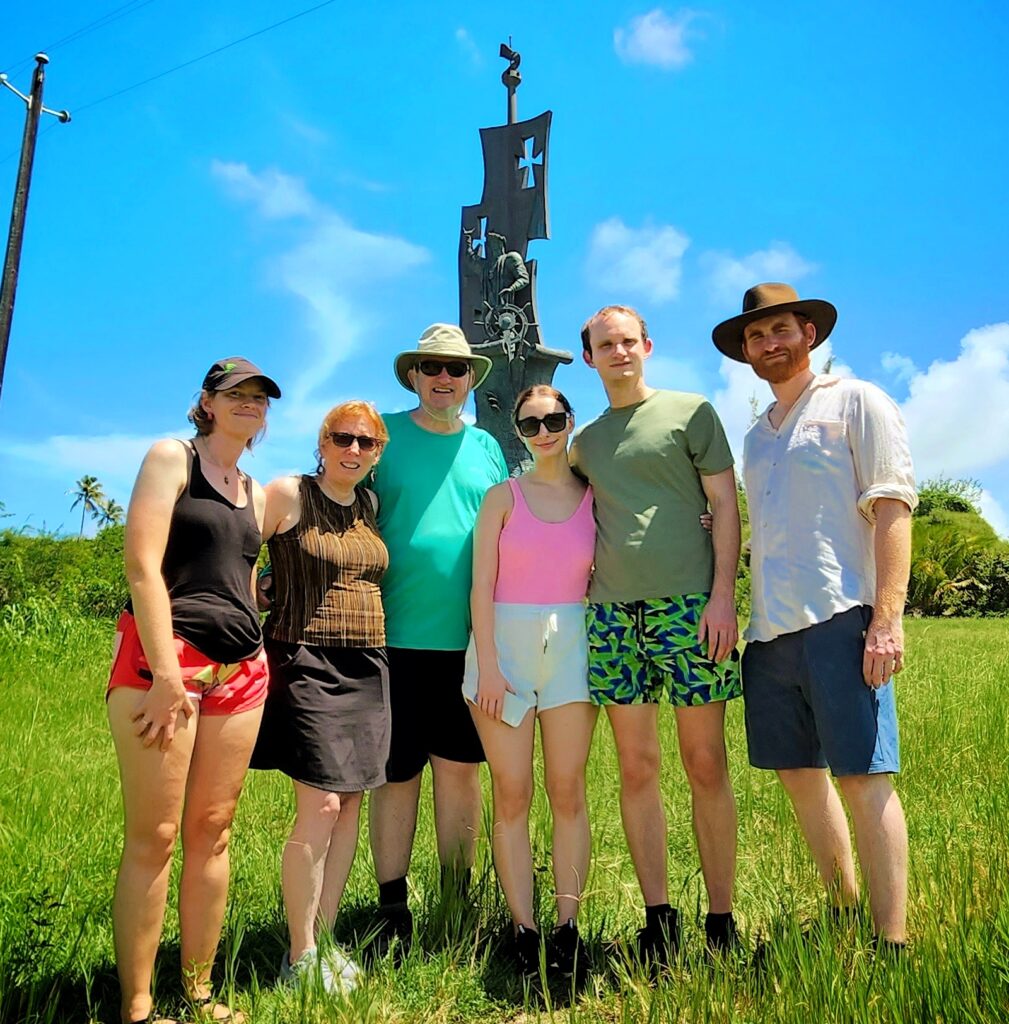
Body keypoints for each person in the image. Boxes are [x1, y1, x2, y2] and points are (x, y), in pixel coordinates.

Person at [712, 282, 916, 948]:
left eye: (779, 331)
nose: (767, 344)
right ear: (744, 352)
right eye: (754, 337)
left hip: (841, 618)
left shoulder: (856, 401)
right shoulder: (755, 436)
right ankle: (843, 910)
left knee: (863, 777)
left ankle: (892, 942)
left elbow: (892, 507)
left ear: (809, 334)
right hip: (768, 632)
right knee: (799, 778)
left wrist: (886, 618)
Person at [106, 357, 280, 1024]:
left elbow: (238, 579)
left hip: (241, 672)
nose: (249, 404)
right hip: (164, 667)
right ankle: (139, 1006)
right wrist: (166, 676)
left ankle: (199, 990)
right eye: (235, 393)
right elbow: (142, 566)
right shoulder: (170, 457)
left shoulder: (253, 490)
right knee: (154, 835)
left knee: (213, 831)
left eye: (259, 397)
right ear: (206, 402)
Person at [570, 305, 743, 962]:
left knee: (705, 763)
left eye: (626, 341)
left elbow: (723, 504)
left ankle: (721, 920)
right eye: (603, 345)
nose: (618, 352)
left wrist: (721, 595)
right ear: (588, 358)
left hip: (692, 608)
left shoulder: (690, 413)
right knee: (636, 768)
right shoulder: (583, 442)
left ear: (646, 345)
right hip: (612, 616)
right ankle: (658, 918)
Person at [368, 324, 508, 948]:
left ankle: (458, 904)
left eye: (455, 369)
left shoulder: (487, 448)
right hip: (389, 638)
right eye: (431, 369)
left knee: (460, 771)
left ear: (470, 378)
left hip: (472, 643)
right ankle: (391, 906)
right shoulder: (382, 436)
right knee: (397, 774)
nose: (443, 379)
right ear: (413, 376)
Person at [251, 400, 391, 992]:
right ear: (322, 441)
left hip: (368, 663)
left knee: (352, 804)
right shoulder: (288, 493)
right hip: (304, 659)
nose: (353, 450)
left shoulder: (369, 503)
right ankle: (298, 954)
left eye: (365, 442)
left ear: (377, 452)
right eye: (342, 438)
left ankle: (325, 938)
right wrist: (255, 596)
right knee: (323, 808)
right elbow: (239, 553)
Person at [463, 385, 597, 977]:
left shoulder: (598, 497)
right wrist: (488, 665)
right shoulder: (501, 497)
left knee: (567, 792)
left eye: (554, 420)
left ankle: (567, 930)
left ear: (570, 422)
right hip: (503, 656)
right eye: (530, 423)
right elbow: (480, 587)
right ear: (517, 431)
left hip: (573, 649)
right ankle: (523, 929)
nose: (543, 431)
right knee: (511, 795)